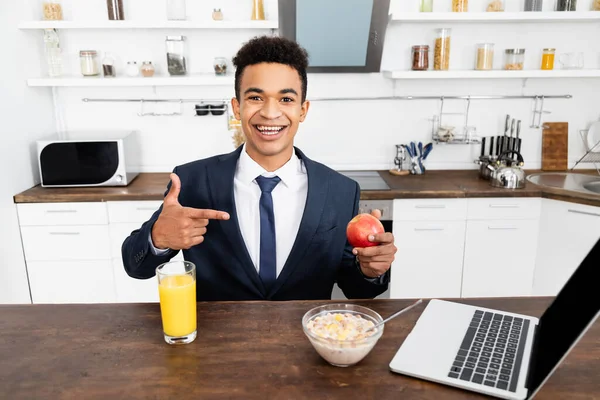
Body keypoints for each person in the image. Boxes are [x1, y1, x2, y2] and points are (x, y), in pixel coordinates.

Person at [122, 36, 397, 301]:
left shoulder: (340, 191)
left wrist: (371, 272)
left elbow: (357, 289)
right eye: (256, 97)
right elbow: (135, 266)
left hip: (306, 342)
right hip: (217, 345)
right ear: (237, 107)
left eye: (286, 99)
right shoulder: (191, 181)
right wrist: (157, 237)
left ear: (303, 110)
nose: (270, 112)